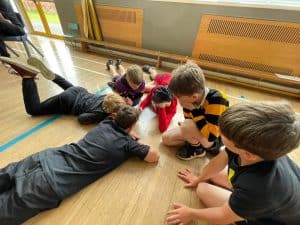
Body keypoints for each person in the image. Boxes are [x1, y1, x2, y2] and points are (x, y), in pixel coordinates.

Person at [0, 105, 160, 225]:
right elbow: (154, 156)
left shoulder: (106, 123)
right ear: (131, 127)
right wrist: (135, 139)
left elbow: (116, 123)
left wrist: (127, 131)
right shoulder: (126, 144)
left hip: (42, 158)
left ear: (114, 116)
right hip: (48, 183)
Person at [166, 101, 300, 225]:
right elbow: (221, 159)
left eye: (223, 135)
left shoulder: (259, 188)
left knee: (203, 190)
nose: (219, 132)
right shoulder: (256, 149)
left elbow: (223, 216)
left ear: (248, 155)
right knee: (208, 177)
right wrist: (199, 178)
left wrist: (191, 213)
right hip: (278, 200)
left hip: (271, 219)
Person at [0, 56, 125, 124]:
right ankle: (28, 77)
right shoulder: (100, 114)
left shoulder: (108, 97)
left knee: (70, 88)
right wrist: (102, 119)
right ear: (112, 113)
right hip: (68, 101)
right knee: (34, 110)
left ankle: (53, 76)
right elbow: (82, 118)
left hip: (78, 90)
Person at [162, 61, 229, 160]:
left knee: (187, 125)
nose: (177, 100)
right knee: (166, 138)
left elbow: (211, 136)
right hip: (200, 130)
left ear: (194, 97)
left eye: (178, 97)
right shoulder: (189, 99)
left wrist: (193, 113)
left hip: (213, 140)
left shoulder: (217, 100)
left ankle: (197, 150)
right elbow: (189, 119)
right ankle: (195, 142)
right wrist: (189, 128)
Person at [139, 65, 178, 132]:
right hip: (164, 80)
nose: (155, 104)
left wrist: (162, 109)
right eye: (154, 103)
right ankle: (151, 70)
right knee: (152, 79)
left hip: (168, 79)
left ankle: (151, 70)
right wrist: (141, 107)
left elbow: (162, 129)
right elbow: (147, 98)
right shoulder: (156, 89)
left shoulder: (172, 109)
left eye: (156, 104)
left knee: (145, 86)